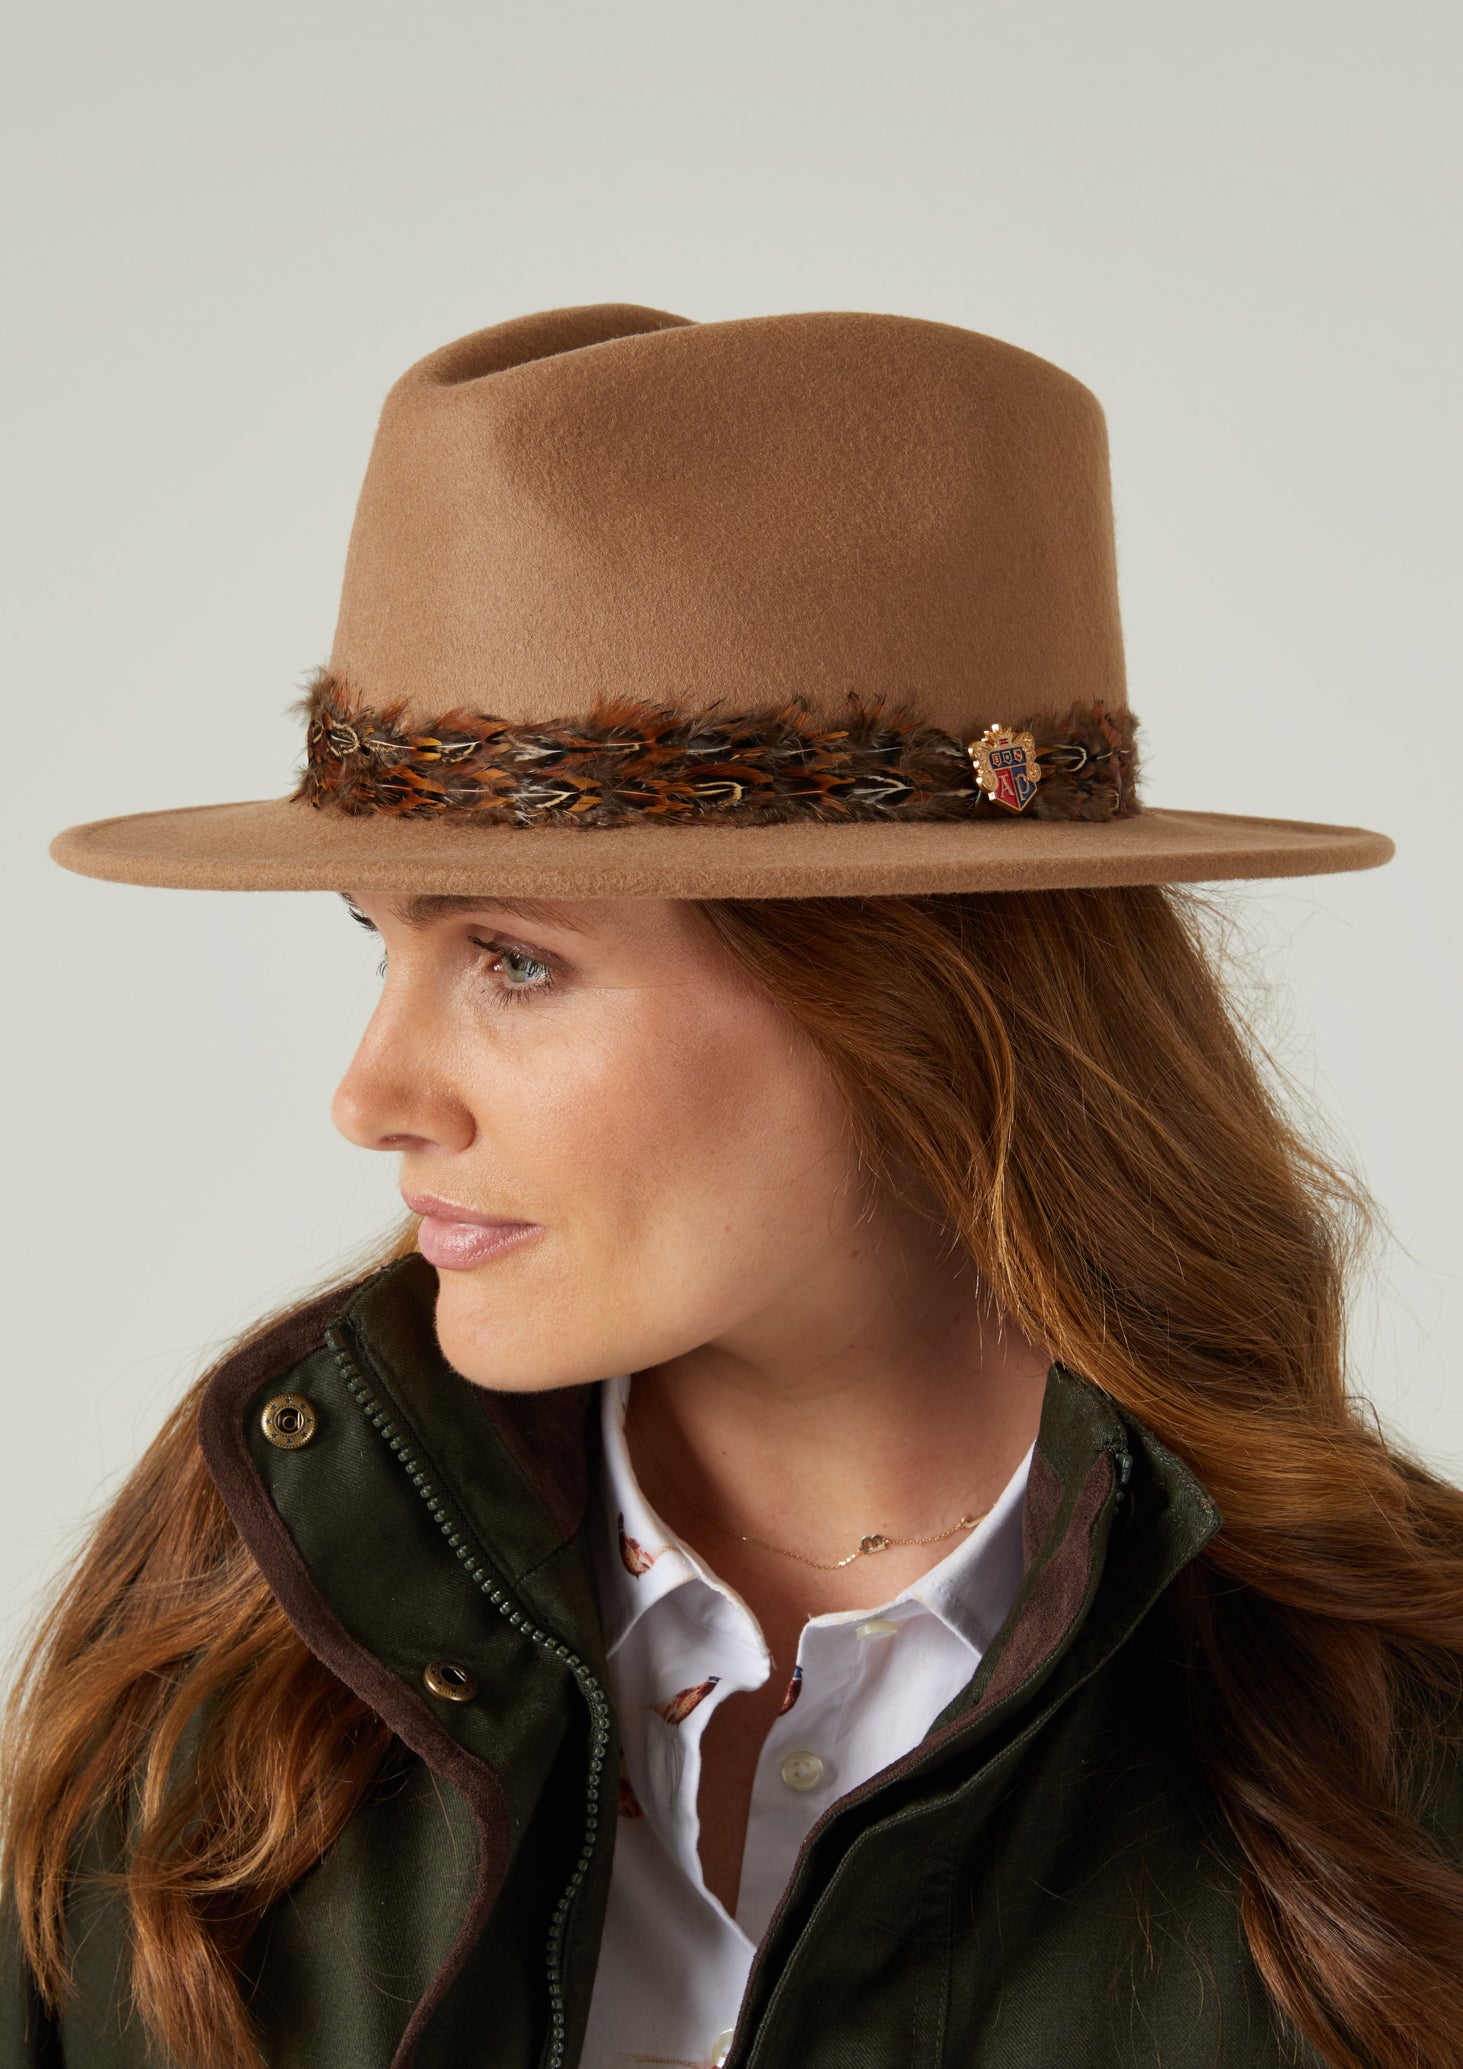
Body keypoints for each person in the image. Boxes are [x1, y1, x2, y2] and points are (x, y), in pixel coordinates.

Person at [4, 302, 1460, 2069]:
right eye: (378, 943)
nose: (371, 1096)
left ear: (914, 1000)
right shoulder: (237, 1614)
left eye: (515, 959)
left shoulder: (1397, 1730)